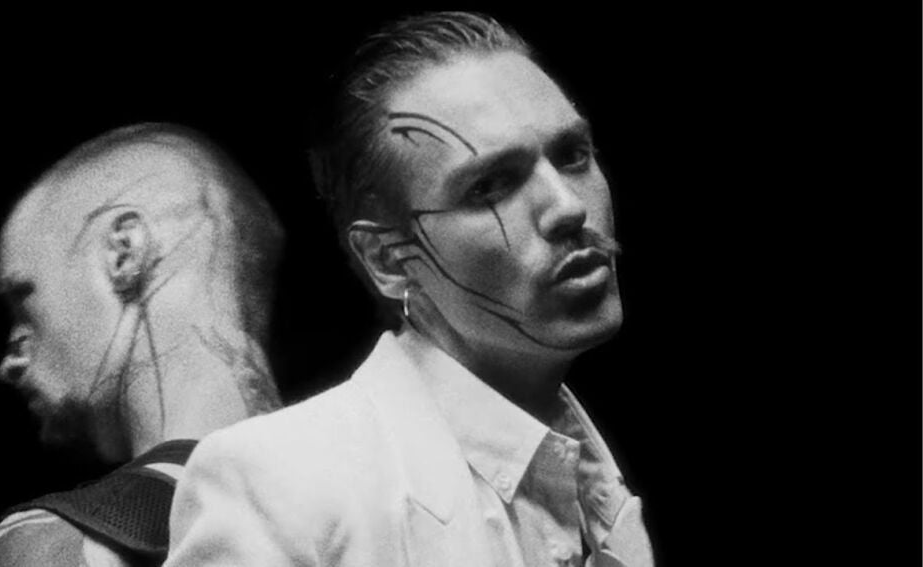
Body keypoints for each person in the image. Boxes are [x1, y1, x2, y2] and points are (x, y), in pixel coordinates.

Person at [166, 11, 654, 567]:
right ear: (387, 259)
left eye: (572, 155)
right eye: (490, 187)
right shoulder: (284, 484)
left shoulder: (594, 483)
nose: (568, 207)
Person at [0, 123, 285, 567]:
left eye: (24, 301)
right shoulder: (373, 475)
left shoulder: (59, 546)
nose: (11, 361)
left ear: (125, 251)